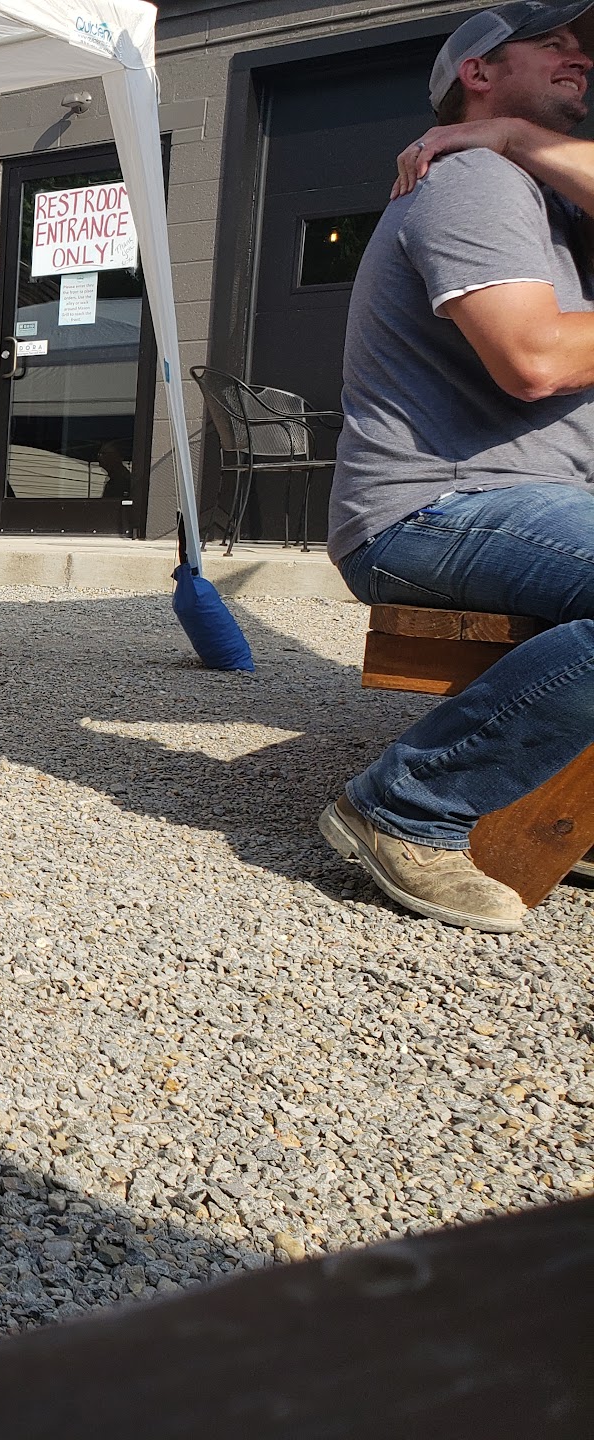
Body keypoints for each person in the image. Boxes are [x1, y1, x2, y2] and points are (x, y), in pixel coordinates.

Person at [320, 0, 594, 932]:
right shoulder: (472, 178)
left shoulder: (535, 182)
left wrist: (521, 134)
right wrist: (503, 145)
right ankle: (408, 805)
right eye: (552, 42)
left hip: (523, 505)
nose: (579, 56)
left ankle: (554, 795)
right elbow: (534, 359)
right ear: (478, 70)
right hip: (430, 511)